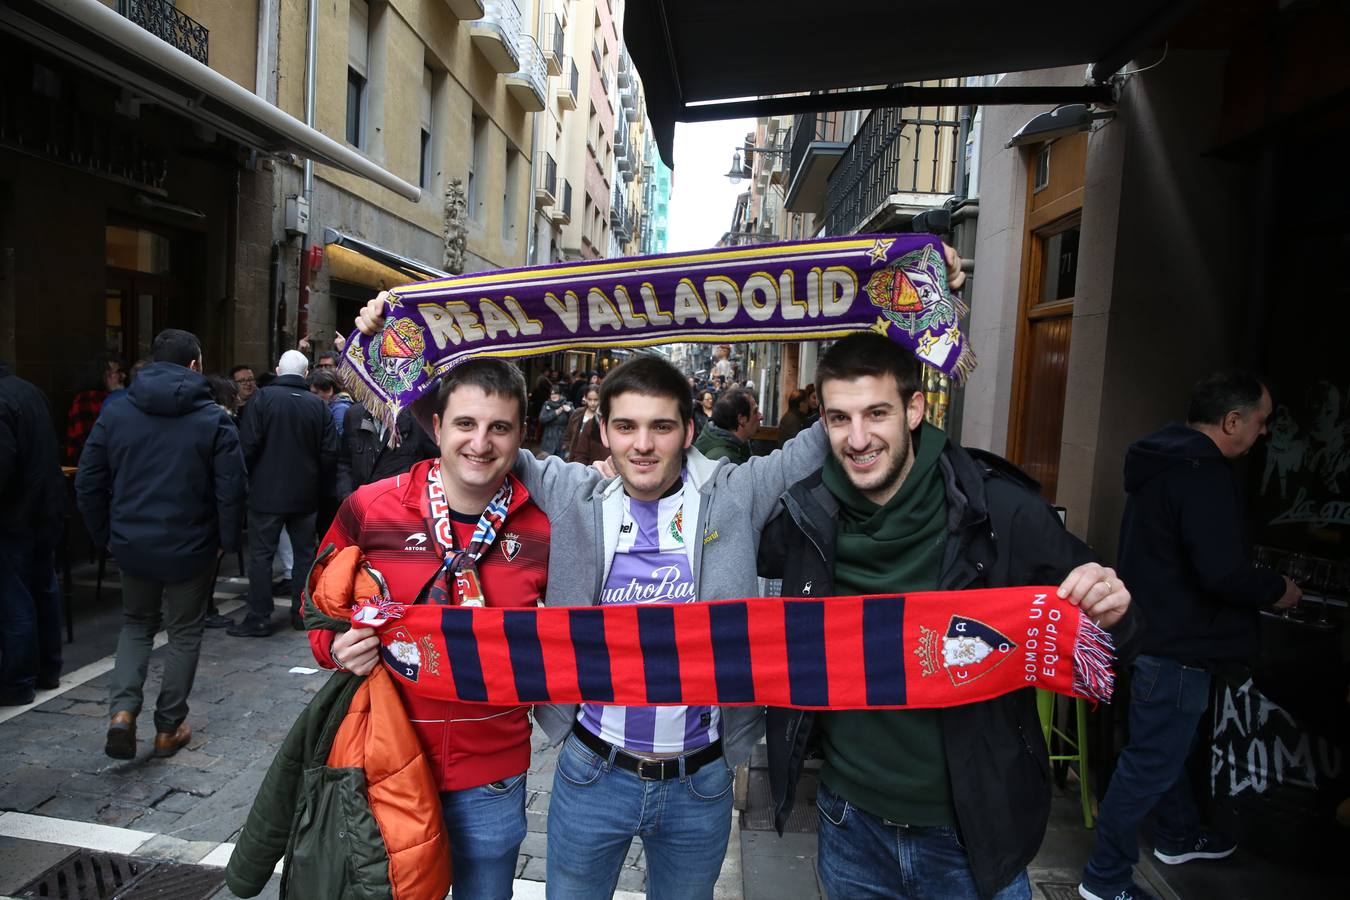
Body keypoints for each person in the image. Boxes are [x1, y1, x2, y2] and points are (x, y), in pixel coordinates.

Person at [760, 332, 1135, 900]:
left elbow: (1113, 637)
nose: (858, 439)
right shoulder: (803, 519)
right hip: (847, 825)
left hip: (972, 834)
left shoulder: (1000, 511)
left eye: (876, 413)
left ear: (915, 409)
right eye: (840, 418)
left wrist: (1111, 609)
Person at [316, 360, 550, 899]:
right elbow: (318, 605)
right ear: (437, 425)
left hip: (491, 767)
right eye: (466, 424)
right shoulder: (371, 508)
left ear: (521, 435)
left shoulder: (544, 526)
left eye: (500, 428)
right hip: (383, 757)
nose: (480, 443)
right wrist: (333, 646)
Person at [1078, 371, 1299, 900]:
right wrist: (1277, 590)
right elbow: (1221, 571)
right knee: (1148, 765)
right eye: (1261, 421)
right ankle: (1104, 881)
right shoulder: (1203, 473)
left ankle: (1177, 833)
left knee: (1162, 750)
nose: (1264, 432)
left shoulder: (1163, 463)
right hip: (1176, 647)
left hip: (1146, 637)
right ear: (1231, 421)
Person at [75, 329, 246, 758]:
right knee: (184, 632)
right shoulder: (213, 418)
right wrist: (227, 541)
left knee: (136, 624)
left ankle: (122, 713)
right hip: (191, 543)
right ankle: (168, 727)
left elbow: (89, 480)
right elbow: (232, 489)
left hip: (132, 540)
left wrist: (104, 536)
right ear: (194, 366)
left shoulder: (117, 413)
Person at [231, 350, 337, 636]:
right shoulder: (319, 406)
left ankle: (260, 616)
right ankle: (301, 614)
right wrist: (317, 481)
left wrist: (250, 479)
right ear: (305, 375)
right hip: (305, 494)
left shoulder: (261, 400)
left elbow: (248, 446)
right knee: (305, 556)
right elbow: (329, 454)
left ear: (278, 370)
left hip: (265, 493)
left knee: (261, 557)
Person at [0, 362, 66, 705]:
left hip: (15, 514)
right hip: (43, 508)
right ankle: (48, 669)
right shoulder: (30, 390)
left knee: (15, 599)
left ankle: (16, 681)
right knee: (42, 588)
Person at [338, 403, 440, 501]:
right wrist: (346, 495)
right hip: (361, 508)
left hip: (400, 509)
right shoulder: (354, 415)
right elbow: (345, 462)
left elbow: (436, 463)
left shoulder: (418, 417)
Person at [65, 352, 124, 464]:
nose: (123, 376)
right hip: (91, 466)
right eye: (117, 372)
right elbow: (89, 440)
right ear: (102, 375)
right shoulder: (87, 399)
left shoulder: (115, 398)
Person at [693, 387, 761, 464]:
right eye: (755, 412)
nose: (761, 416)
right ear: (741, 419)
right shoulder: (723, 460)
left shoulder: (735, 445)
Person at [562, 386, 603, 465]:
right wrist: (567, 452)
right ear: (585, 398)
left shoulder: (603, 417)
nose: (592, 403)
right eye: (590, 399)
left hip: (595, 461)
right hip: (574, 459)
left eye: (596, 400)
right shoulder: (578, 414)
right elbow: (568, 435)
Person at [537, 385, 572, 458]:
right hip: (548, 439)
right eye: (552, 394)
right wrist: (555, 413)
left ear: (560, 394)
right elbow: (542, 419)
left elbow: (575, 419)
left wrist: (570, 411)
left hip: (562, 439)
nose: (553, 395)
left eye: (555, 393)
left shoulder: (568, 404)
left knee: (560, 464)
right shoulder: (547, 405)